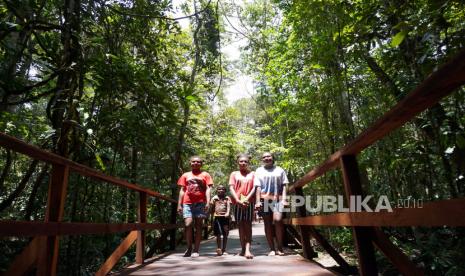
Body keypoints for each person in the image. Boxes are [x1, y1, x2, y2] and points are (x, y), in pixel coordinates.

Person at [177, 156, 213, 258]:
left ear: (201, 164)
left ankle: (196, 250)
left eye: (198, 162)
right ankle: (189, 247)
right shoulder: (185, 175)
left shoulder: (205, 174)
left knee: (198, 226)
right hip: (187, 203)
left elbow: (208, 189)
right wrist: (179, 204)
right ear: (190, 163)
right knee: (188, 224)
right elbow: (182, 190)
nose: (195, 163)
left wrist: (208, 202)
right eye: (193, 162)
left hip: (200, 203)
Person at [254, 152, 289, 256]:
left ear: (272, 158)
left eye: (268, 156)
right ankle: (272, 249)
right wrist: (257, 201)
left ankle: (279, 247)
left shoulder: (280, 170)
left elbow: (284, 185)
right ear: (262, 159)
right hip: (264, 199)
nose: (266, 158)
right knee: (267, 224)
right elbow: (258, 187)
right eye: (264, 157)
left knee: (278, 221)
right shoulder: (259, 170)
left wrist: (284, 199)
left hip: (277, 199)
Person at [229, 154, 255, 259]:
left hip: (249, 202)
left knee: (248, 225)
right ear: (238, 162)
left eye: (245, 161)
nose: (243, 163)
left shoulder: (253, 174)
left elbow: (254, 187)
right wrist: (238, 200)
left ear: (248, 163)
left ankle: (248, 250)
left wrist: (247, 199)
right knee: (240, 225)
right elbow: (231, 187)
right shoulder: (234, 174)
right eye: (241, 161)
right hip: (237, 202)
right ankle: (243, 248)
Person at [210, 185, 231, 256]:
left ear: (225, 191)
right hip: (217, 217)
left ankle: (224, 249)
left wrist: (228, 213)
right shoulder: (214, 198)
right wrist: (211, 217)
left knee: (225, 233)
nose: (221, 190)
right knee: (218, 234)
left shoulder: (227, 198)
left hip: (225, 217)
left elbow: (228, 206)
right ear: (217, 190)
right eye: (219, 189)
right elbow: (212, 208)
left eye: (222, 189)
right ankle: (219, 248)